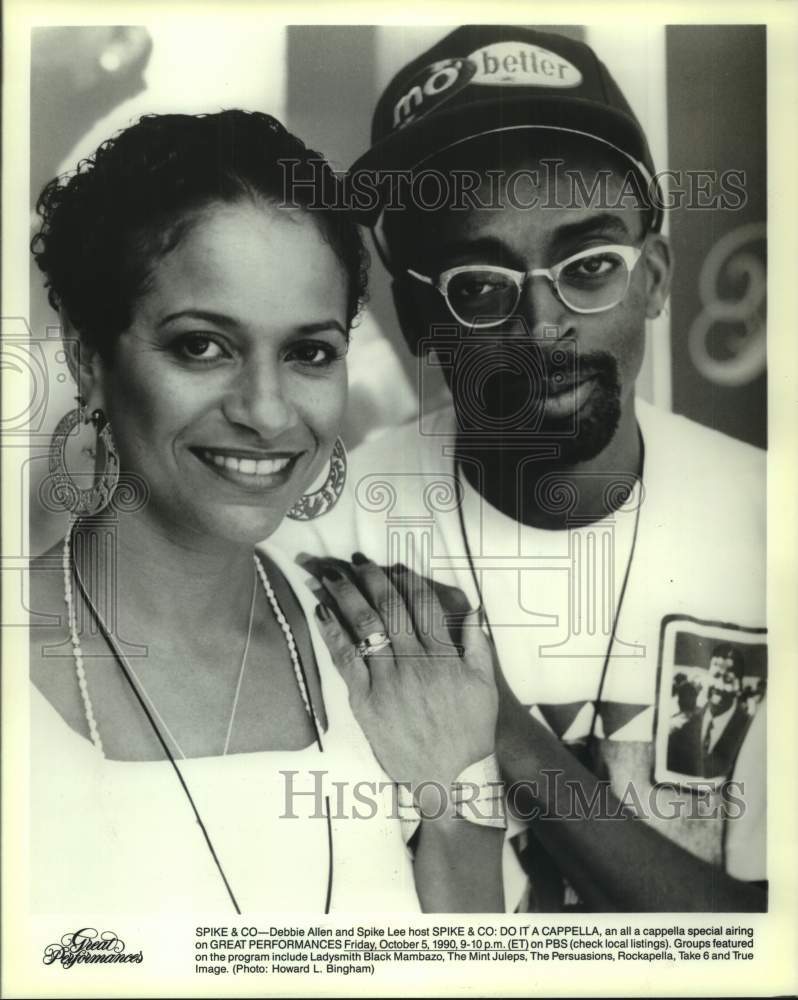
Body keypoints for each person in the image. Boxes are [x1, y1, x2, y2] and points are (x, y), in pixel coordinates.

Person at [279, 25, 767, 911]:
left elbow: (771, 941)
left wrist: (501, 726)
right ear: (419, 319)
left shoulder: (776, 528)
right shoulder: (322, 541)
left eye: (591, 267)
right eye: (479, 285)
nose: (543, 326)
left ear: (656, 277)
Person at [27, 109, 505, 914]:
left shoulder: (396, 647)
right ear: (86, 355)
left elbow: (475, 969)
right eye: (202, 346)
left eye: (308, 352)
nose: (268, 412)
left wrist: (456, 803)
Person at [667, 646, 753, 778]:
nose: (719, 686)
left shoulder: (750, 730)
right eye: (716, 676)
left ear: (739, 686)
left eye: (728, 679)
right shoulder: (684, 726)